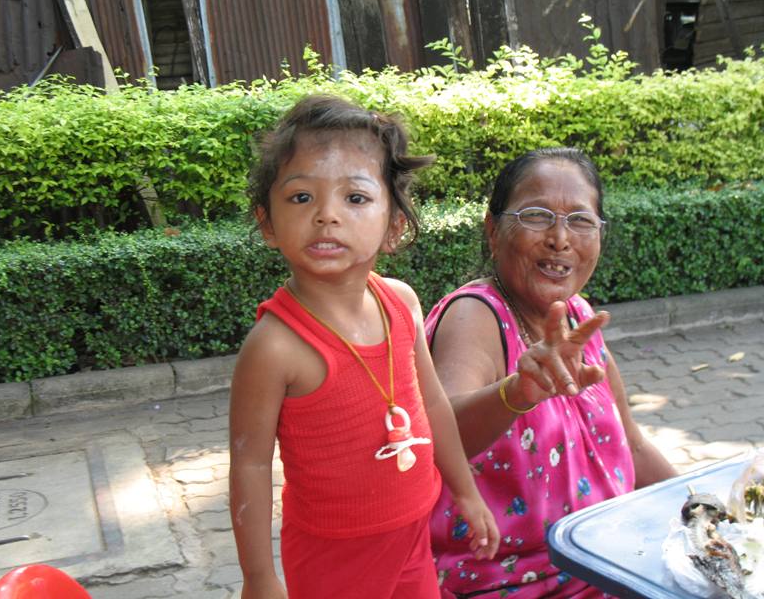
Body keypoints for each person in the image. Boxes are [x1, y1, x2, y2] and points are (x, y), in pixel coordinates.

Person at [229, 94, 500, 599]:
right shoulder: (275, 346)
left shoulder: (401, 302)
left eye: (355, 198)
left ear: (394, 225)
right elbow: (249, 464)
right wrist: (259, 578)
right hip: (334, 557)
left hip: (413, 535)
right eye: (301, 197)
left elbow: (433, 403)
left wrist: (465, 490)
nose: (327, 215)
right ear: (267, 223)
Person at [426, 147, 677, 598]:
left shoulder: (578, 318)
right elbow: (441, 433)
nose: (560, 239)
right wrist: (515, 394)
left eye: (581, 220)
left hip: (604, 563)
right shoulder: (476, 314)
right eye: (537, 216)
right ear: (493, 230)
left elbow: (633, 446)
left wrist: (705, 507)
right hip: (508, 581)